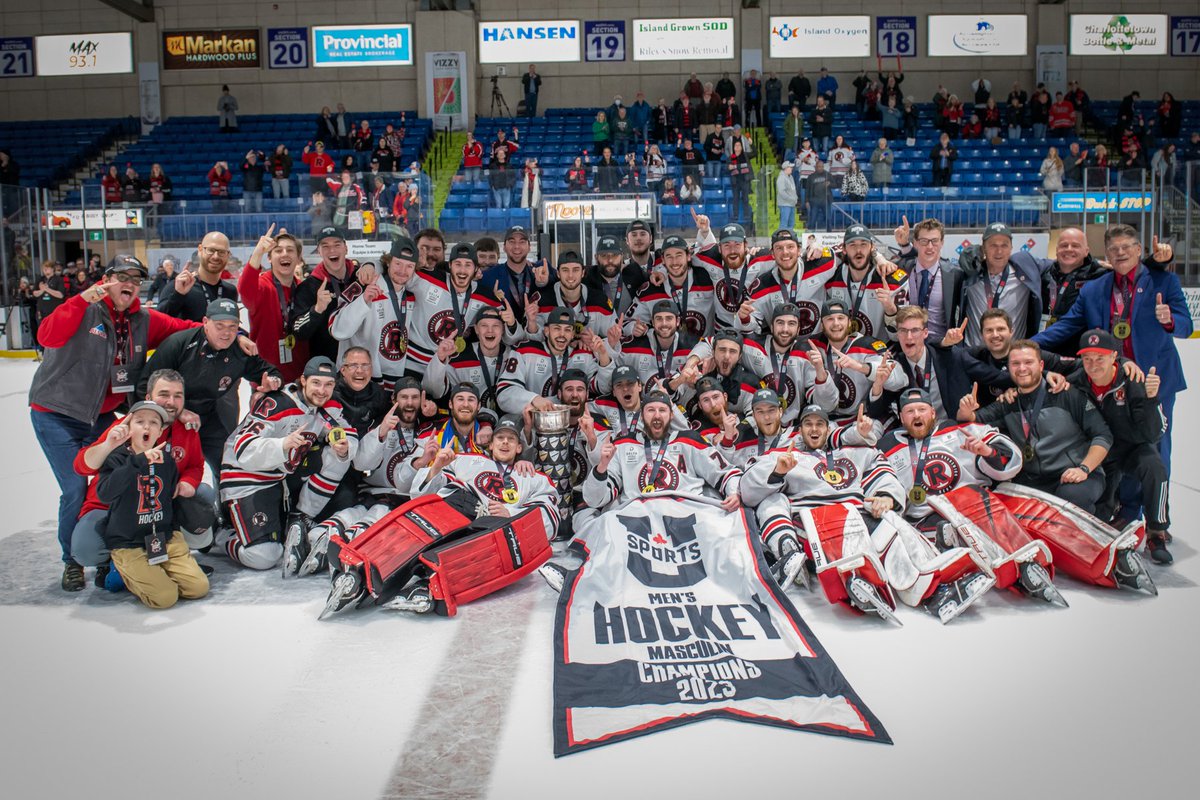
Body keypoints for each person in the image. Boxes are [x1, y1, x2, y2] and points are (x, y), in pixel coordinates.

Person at [30, 255, 199, 591]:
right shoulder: (85, 309)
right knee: (76, 487)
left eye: (136, 281)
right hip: (57, 413)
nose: (130, 286)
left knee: (122, 475)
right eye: (122, 278)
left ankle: (120, 546)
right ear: (106, 280)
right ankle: (74, 561)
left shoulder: (142, 319)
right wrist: (80, 300)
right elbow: (46, 336)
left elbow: (187, 329)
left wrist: (231, 331)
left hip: (101, 416)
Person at [1034, 225, 1186, 474]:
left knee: (1156, 443)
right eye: (1114, 249)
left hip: (1154, 377)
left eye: (1126, 247)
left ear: (1138, 250)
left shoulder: (1164, 281)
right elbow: (1066, 325)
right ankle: (1127, 508)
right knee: (1119, 442)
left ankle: (1155, 508)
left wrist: (1169, 320)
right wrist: (1028, 346)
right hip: (1113, 378)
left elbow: (1186, 326)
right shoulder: (1094, 289)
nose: (1120, 253)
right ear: (1106, 253)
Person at [219, 356, 358, 570]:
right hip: (245, 479)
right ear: (303, 380)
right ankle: (221, 533)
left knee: (338, 458)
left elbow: (347, 431)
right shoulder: (276, 403)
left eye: (328, 384)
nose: (322, 390)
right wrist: (282, 444)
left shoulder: (322, 408)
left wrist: (345, 446)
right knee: (264, 555)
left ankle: (301, 517)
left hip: (278, 480)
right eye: (316, 383)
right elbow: (243, 449)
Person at [958, 340, 1110, 514]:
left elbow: (1103, 435)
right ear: (1008, 367)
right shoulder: (1008, 401)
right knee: (1000, 502)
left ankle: (1088, 537)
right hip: (1032, 478)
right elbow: (973, 421)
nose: (1022, 368)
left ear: (1041, 365)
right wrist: (965, 411)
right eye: (1016, 363)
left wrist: (1084, 469)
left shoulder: (1065, 393)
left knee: (1070, 497)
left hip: (1077, 474)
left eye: (1028, 362)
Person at [140, 297, 283, 473]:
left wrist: (272, 383)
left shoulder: (241, 352)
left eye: (232, 327)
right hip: (169, 418)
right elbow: (144, 386)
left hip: (207, 415)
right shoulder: (178, 344)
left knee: (229, 466)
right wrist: (179, 412)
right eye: (220, 326)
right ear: (206, 323)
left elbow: (271, 373)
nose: (226, 333)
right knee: (167, 470)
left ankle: (228, 500)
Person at [1071, 329, 1173, 565]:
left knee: (1155, 468)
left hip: (1133, 447)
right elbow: (1046, 365)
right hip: (1100, 450)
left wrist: (1150, 400)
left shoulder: (1133, 380)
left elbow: (1154, 433)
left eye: (1100, 358)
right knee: (1099, 507)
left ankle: (1156, 532)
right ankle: (1107, 521)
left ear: (1114, 357)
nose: (1093, 365)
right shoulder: (1077, 381)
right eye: (1087, 359)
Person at [94, 401, 209, 608]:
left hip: (162, 538)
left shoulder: (166, 460)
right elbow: (105, 494)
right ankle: (122, 569)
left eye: (154, 423)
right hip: (128, 543)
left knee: (198, 588)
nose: (147, 427)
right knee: (165, 598)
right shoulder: (117, 459)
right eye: (140, 422)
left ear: (160, 432)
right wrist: (138, 462)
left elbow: (168, 501)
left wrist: (174, 533)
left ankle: (157, 570)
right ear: (128, 429)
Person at [585, 391, 742, 509]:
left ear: (671, 415)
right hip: (638, 521)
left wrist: (734, 492)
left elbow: (727, 473)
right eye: (651, 410)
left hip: (686, 515)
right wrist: (601, 468)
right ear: (641, 416)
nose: (657, 416)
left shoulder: (690, 439)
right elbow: (594, 500)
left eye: (662, 410)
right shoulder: (622, 444)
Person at [329, 237, 419, 388]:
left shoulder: (410, 296)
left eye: (409, 266)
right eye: (398, 263)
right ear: (389, 262)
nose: (403, 271)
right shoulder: (365, 285)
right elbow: (337, 330)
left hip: (391, 384)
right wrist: (363, 300)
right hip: (356, 382)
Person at [961, 222, 1045, 346]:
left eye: (1004, 245)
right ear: (983, 248)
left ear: (1011, 247)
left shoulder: (1024, 271)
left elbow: (1060, 265)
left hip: (1012, 355)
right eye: (993, 245)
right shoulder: (970, 274)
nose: (999, 251)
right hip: (974, 354)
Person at [290, 226, 362, 363]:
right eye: (325, 246)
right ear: (319, 251)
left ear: (346, 248)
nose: (332, 250)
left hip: (361, 364)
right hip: (327, 369)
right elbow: (298, 332)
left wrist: (371, 264)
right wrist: (317, 310)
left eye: (337, 244)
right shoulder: (308, 287)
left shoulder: (361, 277)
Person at [158, 231, 239, 322]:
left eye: (222, 252)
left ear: (228, 255)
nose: (215, 257)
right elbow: (159, 322)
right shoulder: (178, 286)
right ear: (200, 250)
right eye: (211, 250)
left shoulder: (230, 291)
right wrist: (178, 295)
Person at [727, 139, 753, 231]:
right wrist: (732, 167)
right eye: (736, 146)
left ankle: (746, 216)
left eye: (739, 145)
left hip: (745, 180)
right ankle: (735, 217)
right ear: (733, 148)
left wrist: (751, 144)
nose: (737, 147)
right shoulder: (731, 157)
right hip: (735, 181)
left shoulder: (745, 155)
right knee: (736, 200)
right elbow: (728, 168)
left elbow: (754, 154)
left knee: (746, 199)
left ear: (742, 147)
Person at [804, 161, 832, 231]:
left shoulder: (827, 175)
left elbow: (835, 184)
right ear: (816, 167)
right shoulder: (811, 177)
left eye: (822, 166)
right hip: (814, 200)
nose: (820, 168)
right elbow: (807, 189)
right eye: (819, 167)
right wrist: (806, 201)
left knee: (828, 218)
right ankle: (811, 234)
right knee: (813, 219)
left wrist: (829, 184)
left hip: (825, 200)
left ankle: (830, 234)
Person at [776, 162, 797, 231]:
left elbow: (793, 190)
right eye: (790, 167)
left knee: (791, 223)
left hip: (791, 203)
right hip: (785, 204)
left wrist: (795, 198)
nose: (792, 169)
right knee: (784, 223)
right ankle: (782, 238)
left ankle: (789, 238)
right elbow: (781, 192)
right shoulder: (781, 178)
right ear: (786, 168)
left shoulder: (791, 177)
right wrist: (791, 199)